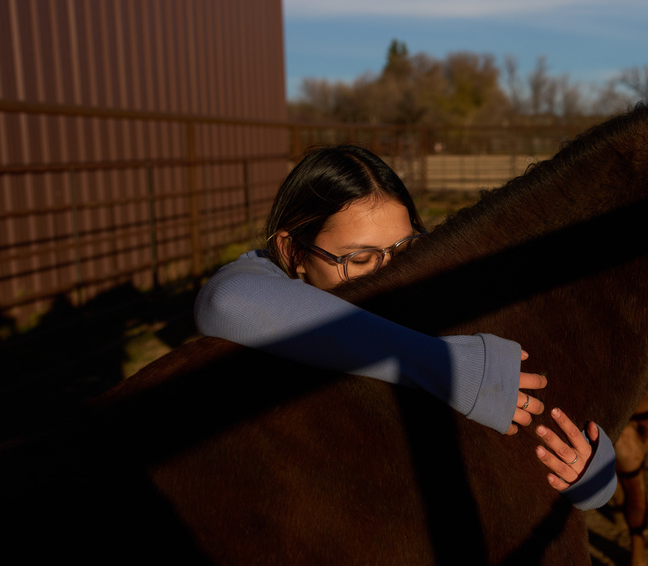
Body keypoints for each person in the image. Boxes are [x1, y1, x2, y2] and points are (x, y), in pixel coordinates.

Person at [195, 144, 616, 510]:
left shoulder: (434, 283)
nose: (390, 275)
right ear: (293, 252)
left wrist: (587, 462)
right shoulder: (265, 280)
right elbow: (225, 301)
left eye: (403, 248)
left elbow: (521, 377)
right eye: (359, 260)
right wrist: (443, 365)